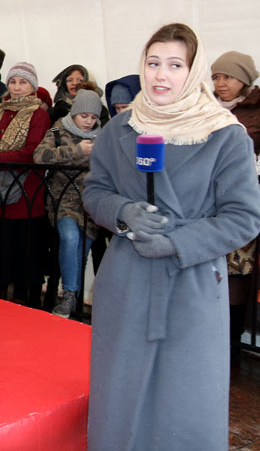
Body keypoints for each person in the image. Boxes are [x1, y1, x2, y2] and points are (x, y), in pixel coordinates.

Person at [83, 23, 260, 451]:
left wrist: (178, 243)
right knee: (120, 393)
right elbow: (95, 191)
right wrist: (122, 213)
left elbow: (243, 218)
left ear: (193, 71)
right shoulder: (120, 128)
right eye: (153, 63)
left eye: (175, 65)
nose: (161, 75)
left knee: (184, 398)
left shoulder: (224, 134)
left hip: (192, 284)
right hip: (127, 279)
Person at [0, 62, 50, 304]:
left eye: (23, 82)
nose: (16, 87)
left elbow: (32, 150)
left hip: (23, 195)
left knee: (18, 252)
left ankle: (20, 302)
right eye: (13, 82)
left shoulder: (38, 113)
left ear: (32, 86)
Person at [34, 86, 102, 318]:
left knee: (81, 251)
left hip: (92, 202)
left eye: (93, 117)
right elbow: (40, 156)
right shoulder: (57, 131)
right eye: (84, 116)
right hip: (64, 199)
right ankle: (70, 294)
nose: (88, 122)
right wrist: (76, 151)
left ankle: (73, 298)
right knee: (70, 238)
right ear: (74, 113)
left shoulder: (103, 136)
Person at [210, 50, 260, 359]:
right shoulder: (204, 108)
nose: (221, 83)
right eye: (216, 77)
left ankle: (231, 344)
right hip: (207, 202)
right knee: (209, 269)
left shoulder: (256, 110)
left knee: (238, 272)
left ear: (244, 79)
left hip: (241, 200)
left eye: (228, 76)